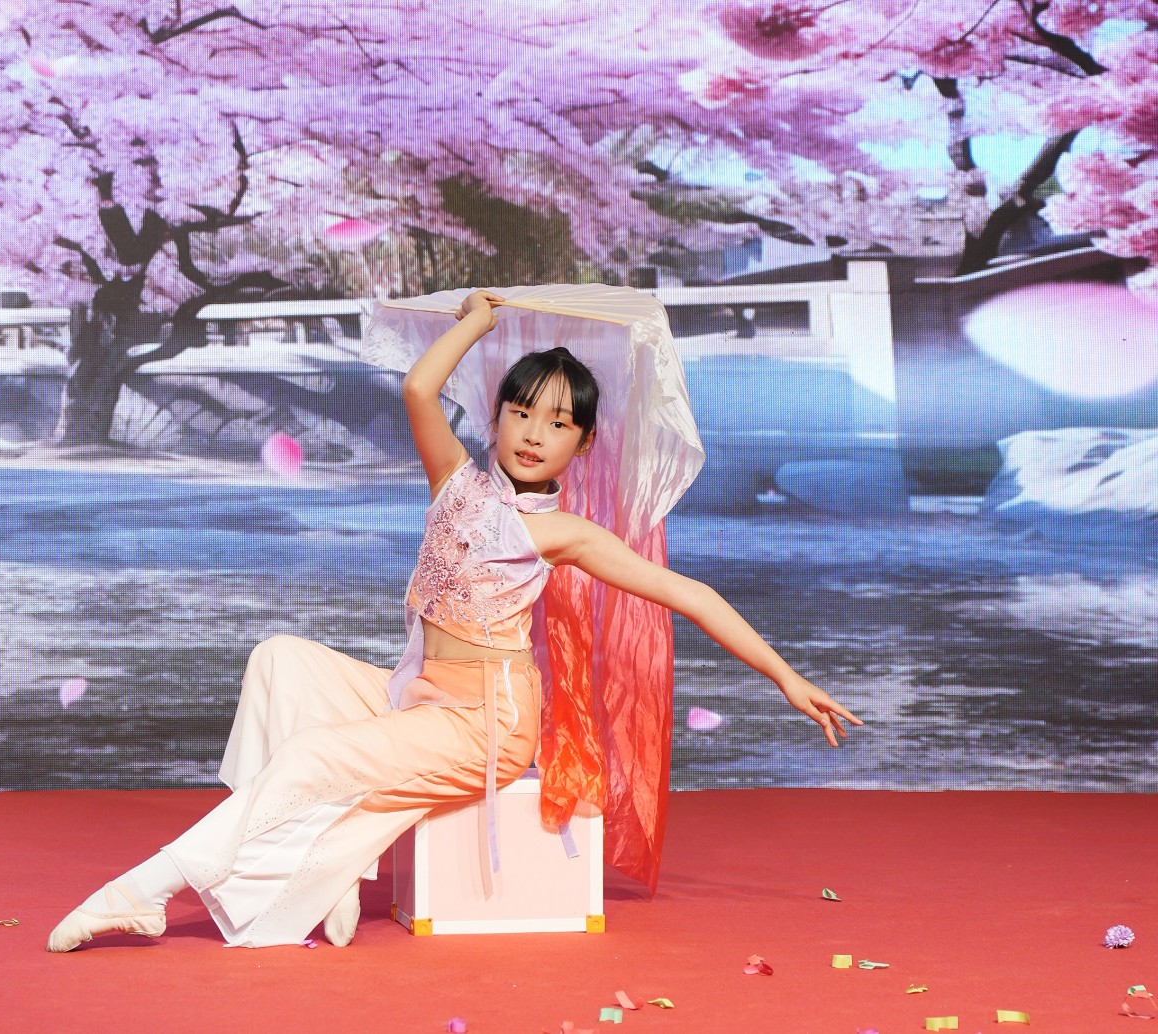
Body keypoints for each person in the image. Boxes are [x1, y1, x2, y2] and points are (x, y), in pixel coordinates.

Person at [46, 289, 862, 952]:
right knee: (279, 659)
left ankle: (143, 892)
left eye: (559, 424)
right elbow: (417, 388)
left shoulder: (563, 533)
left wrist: (787, 678)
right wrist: (476, 321)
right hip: (416, 693)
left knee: (309, 759)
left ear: (582, 445)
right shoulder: (456, 482)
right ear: (496, 416)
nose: (535, 434)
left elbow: (693, 596)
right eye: (522, 412)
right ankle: (322, 870)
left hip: (485, 725)